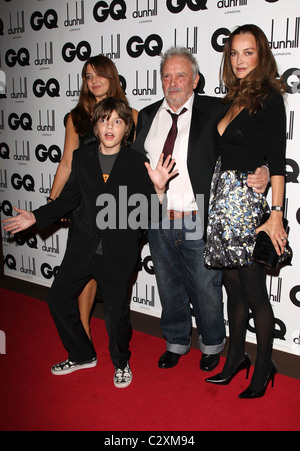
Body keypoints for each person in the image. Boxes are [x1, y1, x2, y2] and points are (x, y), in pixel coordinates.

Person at [3, 97, 176, 388]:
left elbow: (149, 216)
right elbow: (69, 199)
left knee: (115, 315)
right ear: (95, 127)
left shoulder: (137, 162)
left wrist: (159, 190)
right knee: (57, 298)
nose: (110, 126)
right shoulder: (82, 158)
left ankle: (121, 362)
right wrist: (36, 216)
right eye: (104, 120)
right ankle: (82, 354)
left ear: (126, 129)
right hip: (82, 247)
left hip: (117, 253)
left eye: (118, 121)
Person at [131, 47, 269, 372]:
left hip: (198, 215)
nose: (173, 82)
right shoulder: (147, 115)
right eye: (167, 75)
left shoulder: (215, 109)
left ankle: (211, 344)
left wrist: (262, 167)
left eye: (181, 75)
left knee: (206, 288)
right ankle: (176, 342)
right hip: (158, 216)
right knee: (168, 284)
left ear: (195, 80)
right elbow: (137, 168)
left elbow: (242, 143)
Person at [204, 25, 288, 398]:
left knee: (254, 292)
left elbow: (278, 162)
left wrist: (276, 213)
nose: (239, 60)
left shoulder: (269, 98)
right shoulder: (230, 98)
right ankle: (235, 358)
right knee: (232, 289)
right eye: (234, 53)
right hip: (223, 203)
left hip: (249, 205)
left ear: (261, 54)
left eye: (247, 52)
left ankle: (264, 366)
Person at [49, 55, 138, 341]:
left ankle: (117, 334)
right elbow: (66, 163)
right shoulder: (76, 118)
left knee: (118, 276)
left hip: (120, 209)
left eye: (99, 74)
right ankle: (84, 330)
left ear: (112, 77)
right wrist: (54, 201)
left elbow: (137, 163)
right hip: (84, 206)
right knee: (84, 269)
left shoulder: (132, 115)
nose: (94, 80)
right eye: (88, 76)